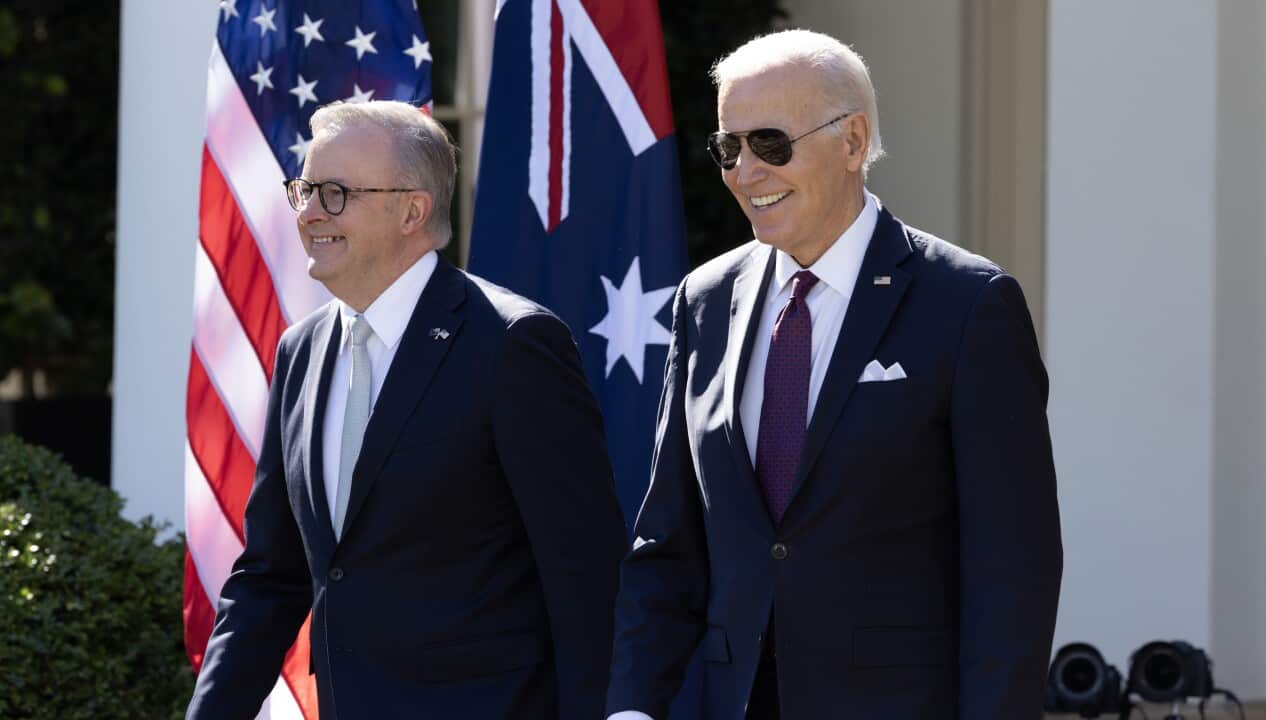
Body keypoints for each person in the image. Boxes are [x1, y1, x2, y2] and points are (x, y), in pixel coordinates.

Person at [605, 30, 1062, 720]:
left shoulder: (968, 305)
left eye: (770, 144)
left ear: (852, 142)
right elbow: (669, 542)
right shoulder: (706, 301)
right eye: (729, 148)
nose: (744, 172)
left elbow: (1012, 567)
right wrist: (633, 708)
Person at [186, 101, 626, 720]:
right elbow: (271, 574)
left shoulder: (512, 343)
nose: (309, 213)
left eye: (335, 193)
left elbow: (585, 577)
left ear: (412, 210)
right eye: (305, 189)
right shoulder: (301, 350)